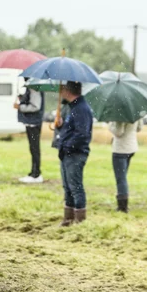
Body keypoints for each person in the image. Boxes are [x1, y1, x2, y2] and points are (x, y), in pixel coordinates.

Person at [56, 81, 93, 226]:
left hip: (75, 154)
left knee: (75, 187)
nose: (61, 93)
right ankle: (68, 219)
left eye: (62, 90)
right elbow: (71, 131)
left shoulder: (81, 109)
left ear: (67, 91)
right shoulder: (73, 108)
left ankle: (80, 222)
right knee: (67, 187)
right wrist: (61, 127)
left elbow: (82, 134)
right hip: (67, 153)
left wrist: (67, 146)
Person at [108, 119, 143, 213]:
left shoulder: (119, 115)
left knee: (121, 179)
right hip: (131, 147)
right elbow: (139, 128)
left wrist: (110, 124)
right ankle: (123, 203)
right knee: (123, 177)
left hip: (120, 149)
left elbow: (119, 132)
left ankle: (122, 207)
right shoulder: (136, 111)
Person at [14, 81, 44, 183]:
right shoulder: (33, 88)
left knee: (35, 149)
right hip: (32, 123)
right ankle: (34, 172)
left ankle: (36, 174)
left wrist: (20, 107)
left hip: (33, 123)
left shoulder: (34, 88)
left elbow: (36, 106)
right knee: (33, 148)